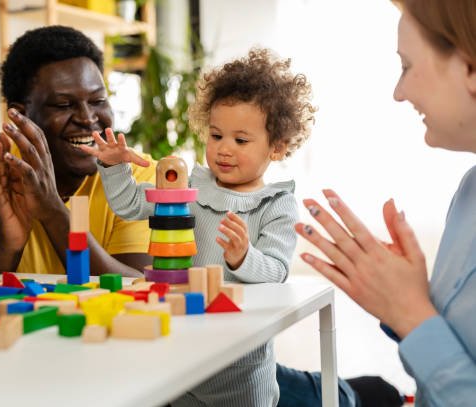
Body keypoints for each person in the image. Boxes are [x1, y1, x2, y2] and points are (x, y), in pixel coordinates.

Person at [81, 48, 316, 406]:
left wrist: (243, 257)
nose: (223, 149)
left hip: (241, 367)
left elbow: (277, 272)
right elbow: (130, 204)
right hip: (183, 351)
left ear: (277, 147)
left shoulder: (276, 203)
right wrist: (115, 168)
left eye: (240, 140)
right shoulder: (190, 187)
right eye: (216, 135)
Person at [295, 1, 476, 406]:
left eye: (407, 66)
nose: (399, 92)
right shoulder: (468, 193)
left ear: (470, 68)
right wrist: (395, 296)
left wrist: (413, 314)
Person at [0, 26, 155, 285]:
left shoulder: (136, 178)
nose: (88, 118)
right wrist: (6, 247)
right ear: (20, 116)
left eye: (98, 100)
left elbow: (144, 290)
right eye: (63, 105)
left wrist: (53, 212)